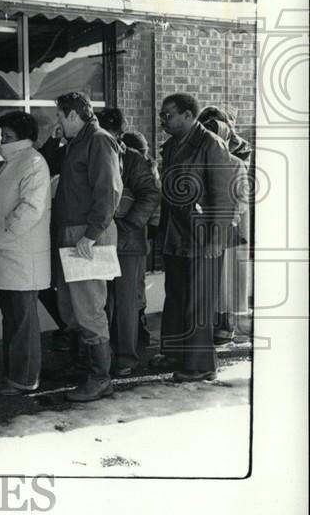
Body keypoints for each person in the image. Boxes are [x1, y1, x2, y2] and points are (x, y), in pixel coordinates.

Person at [40, 92, 122, 402]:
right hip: (73, 233)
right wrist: (54, 139)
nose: (57, 122)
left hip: (87, 235)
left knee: (89, 309)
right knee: (71, 308)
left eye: (60, 116)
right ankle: (83, 365)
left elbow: (109, 190)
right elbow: (46, 164)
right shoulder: (75, 141)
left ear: (74, 115)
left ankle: (100, 377)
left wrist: (91, 233)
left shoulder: (99, 140)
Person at [152, 94, 237, 381]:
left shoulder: (211, 145)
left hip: (203, 237)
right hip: (176, 235)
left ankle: (202, 366)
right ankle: (177, 352)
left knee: (198, 302)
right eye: (162, 115)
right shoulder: (173, 145)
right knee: (176, 296)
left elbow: (225, 196)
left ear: (189, 115)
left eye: (168, 115)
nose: (163, 120)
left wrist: (216, 238)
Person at [0, 112, 52, 395]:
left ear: (23, 138)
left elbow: (30, 209)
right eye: (2, 136)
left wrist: (1, 236)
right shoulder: (17, 161)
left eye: (7, 137)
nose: (2, 141)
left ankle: (24, 378)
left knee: (22, 321)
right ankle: (15, 375)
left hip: (20, 255)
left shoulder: (32, 162)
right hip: (12, 254)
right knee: (13, 319)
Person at [97, 109, 162, 376]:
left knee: (124, 303)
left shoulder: (133, 160)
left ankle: (126, 357)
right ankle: (107, 355)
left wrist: (127, 225)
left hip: (126, 241)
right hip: (102, 239)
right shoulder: (97, 154)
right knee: (102, 302)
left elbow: (150, 194)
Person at [197, 107, 253, 345]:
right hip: (213, 214)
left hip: (232, 215)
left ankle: (227, 324)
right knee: (215, 273)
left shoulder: (238, 152)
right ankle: (216, 321)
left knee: (229, 273)